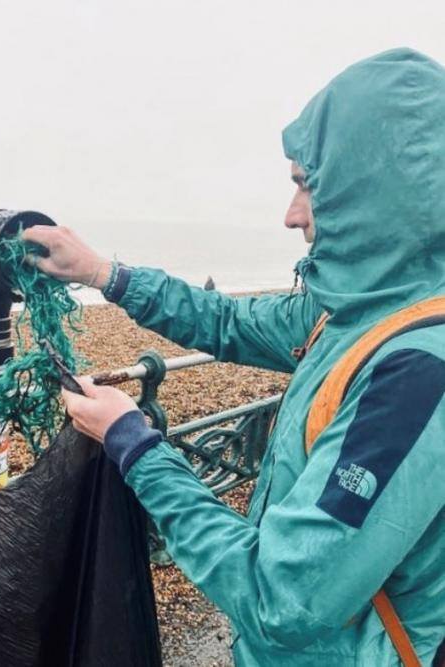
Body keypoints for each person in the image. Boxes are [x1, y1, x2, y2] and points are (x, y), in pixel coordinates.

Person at [23, 48, 445, 666]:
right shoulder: (357, 309)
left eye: (309, 186)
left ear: (374, 194)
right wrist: (102, 273)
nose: (290, 215)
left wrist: (133, 443)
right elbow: (226, 320)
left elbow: (285, 600)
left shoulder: (418, 372)